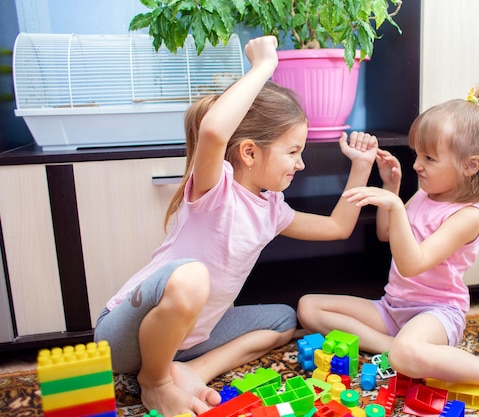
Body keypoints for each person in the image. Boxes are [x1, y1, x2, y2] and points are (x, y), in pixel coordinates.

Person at [94, 35, 379, 417]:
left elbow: (337, 227)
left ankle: (191, 370)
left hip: (188, 340)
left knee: (282, 320)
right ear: (248, 152)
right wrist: (264, 66)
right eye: (293, 152)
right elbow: (214, 132)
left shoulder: (272, 208)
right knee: (193, 276)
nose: (301, 163)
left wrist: (361, 166)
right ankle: (155, 382)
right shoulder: (216, 188)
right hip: (126, 337)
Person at [297, 84, 479, 417]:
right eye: (417, 154)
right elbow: (387, 234)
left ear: (470, 165)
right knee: (308, 307)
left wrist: (395, 204)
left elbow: (412, 264)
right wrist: (393, 187)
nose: (417, 165)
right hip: (393, 308)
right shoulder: (425, 193)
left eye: (429, 158)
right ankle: (399, 347)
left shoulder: (467, 216)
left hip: (436, 313)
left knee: (405, 356)